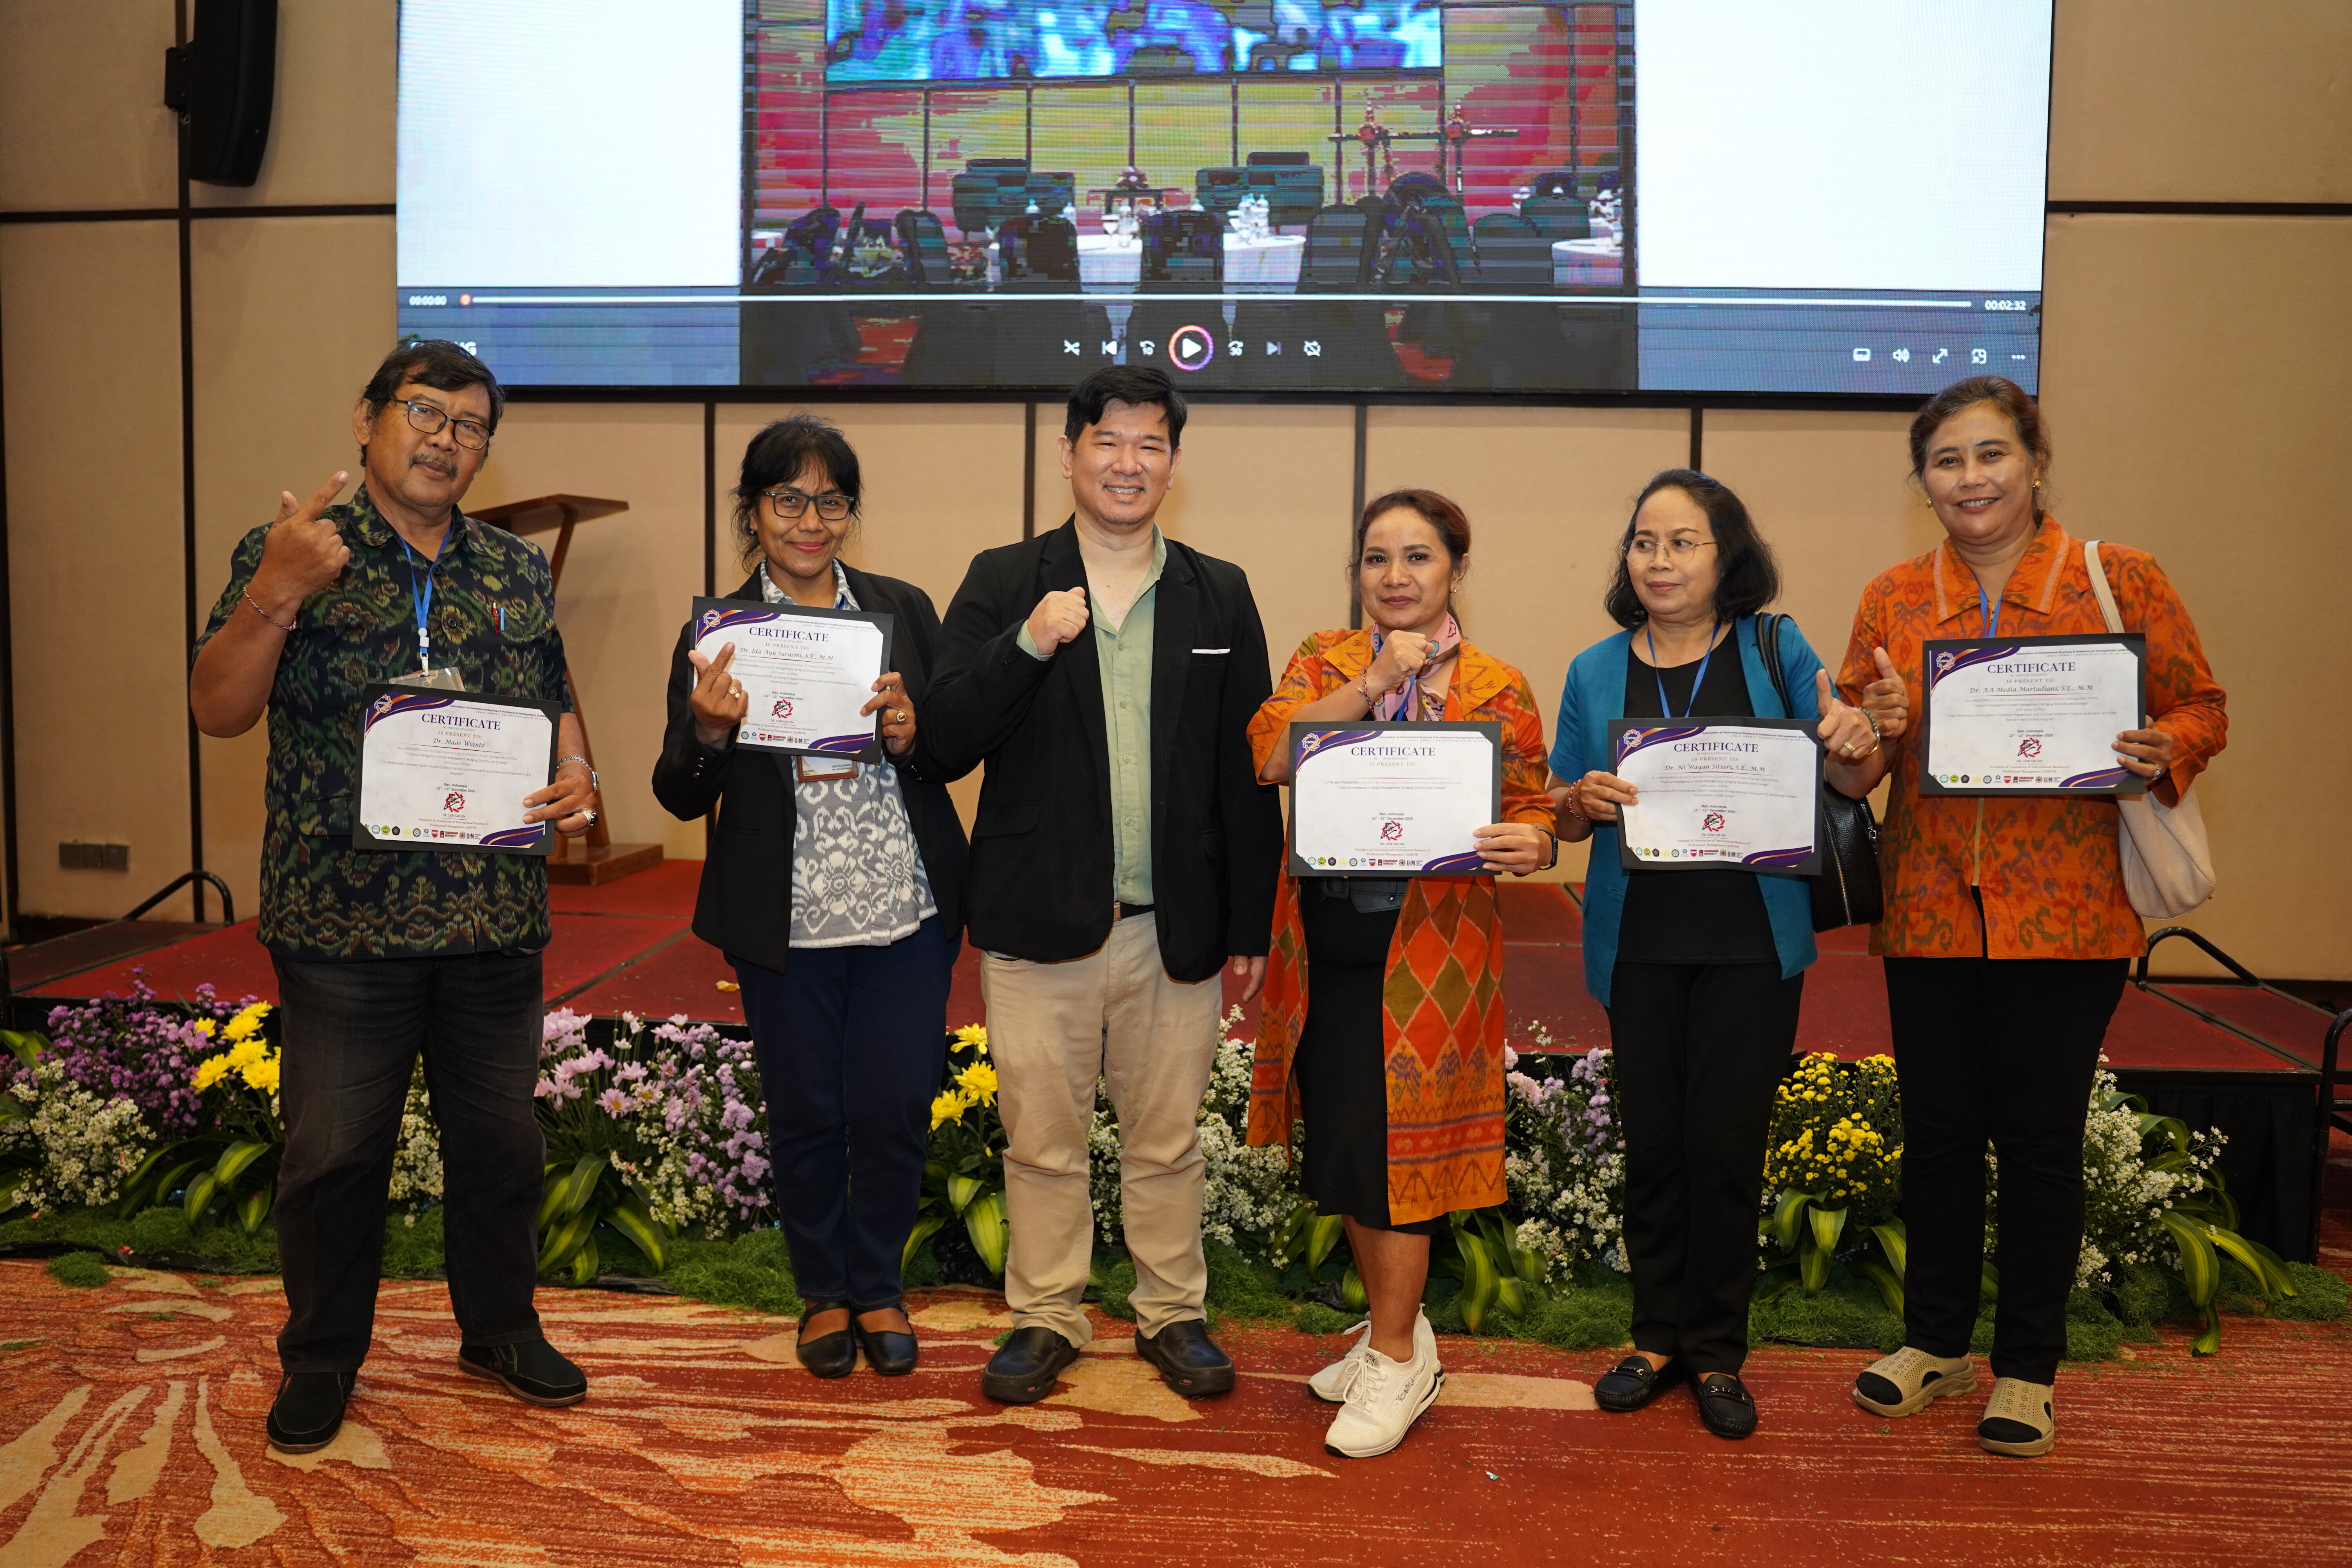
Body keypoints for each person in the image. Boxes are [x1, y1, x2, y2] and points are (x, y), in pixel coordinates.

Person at [188, 340, 601, 1454]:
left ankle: (500, 1329)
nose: (445, 440)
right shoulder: (295, 550)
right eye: (424, 412)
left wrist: (578, 769)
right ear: (367, 417)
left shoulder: (513, 566)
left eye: (470, 426)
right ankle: (322, 1356)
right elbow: (217, 709)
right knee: (331, 1156)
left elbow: (551, 692)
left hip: (491, 918)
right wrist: (275, 594)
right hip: (342, 921)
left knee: (501, 1146)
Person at [1834, 377, 2226, 1457]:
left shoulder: (2118, 577)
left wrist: (2165, 746)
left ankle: (2027, 1367)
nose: (1971, 478)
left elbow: (2203, 705)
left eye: (1991, 454)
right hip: (1929, 906)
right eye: (1947, 460)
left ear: (2036, 463)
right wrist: (1873, 727)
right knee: (1940, 1135)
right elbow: (1851, 763)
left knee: (2042, 1140)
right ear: (1923, 481)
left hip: (2069, 912)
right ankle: (1934, 1342)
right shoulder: (1893, 597)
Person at [924, 366, 1283, 1405]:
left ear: (1174, 462)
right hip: (1039, 918)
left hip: (1175, 924)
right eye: (1109, 441)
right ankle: (1046, 1314)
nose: (1129, 463)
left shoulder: (1220, 591)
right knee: (1043, 1141)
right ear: (1069, 452)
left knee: (1167, 1141)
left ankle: (1173, 1313)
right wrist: (1029, 642)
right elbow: (944, 739)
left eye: (1150, 444)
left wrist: (1250, 921)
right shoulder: (1005, 579)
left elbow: (1246, 769)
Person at [1544, 469, 1893, 1441]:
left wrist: (1861, 735)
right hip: (1639, 944)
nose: (1658, 560)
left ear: (1726, 554)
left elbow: (1853, 774)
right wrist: (1579, 801)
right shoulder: (1593, 669)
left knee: (1726, 1150)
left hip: (1750, 944)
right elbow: (1561, 810)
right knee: (1655, 1146)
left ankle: (1716, 1352)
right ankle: (1654, 1337)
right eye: (1644, 541)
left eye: (1682, 541)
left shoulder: (1776, 647)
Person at [652, 414, 969, 1380]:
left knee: (893, 1102)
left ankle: (878, 1285)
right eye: (788, 498)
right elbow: (678, 791)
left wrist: (912, 732)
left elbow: (949, 747)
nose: (810, 519)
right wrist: (710, 732)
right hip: (783, 913)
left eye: (831, 500)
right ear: (753, 510)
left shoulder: (901, 607)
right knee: (806, 1108)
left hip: (902, 902)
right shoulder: (718, 633)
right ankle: (824, 1291)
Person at [1247, 488, 1555, 1458]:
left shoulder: (1496, 684)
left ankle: (1393, 1357)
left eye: (1418, 556)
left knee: (1400, 1158)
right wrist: (1376, 675)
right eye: (1376, 558)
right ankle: (1402, 1333)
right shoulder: (1325, 657)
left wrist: (1537, 842)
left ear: (1456, 568)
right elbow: (1271, 752)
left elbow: (1534, 806)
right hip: (1325, 943)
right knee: (1347, 1142)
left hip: (1432, 955)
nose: (1395, 576)